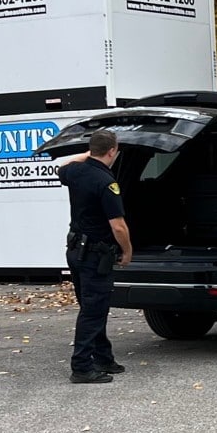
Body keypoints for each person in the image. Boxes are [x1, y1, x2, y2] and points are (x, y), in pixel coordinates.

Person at [60, 129, 132, 384]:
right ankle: (81, 367)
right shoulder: (105, 182)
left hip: (76, 252)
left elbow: (63, 166)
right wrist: (127, 250)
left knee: (91, 307)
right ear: (112, 151)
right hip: (94, 255)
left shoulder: (76, 172)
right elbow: (118, 226)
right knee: (94, 310)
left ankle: (103, 357)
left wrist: (89, 154)